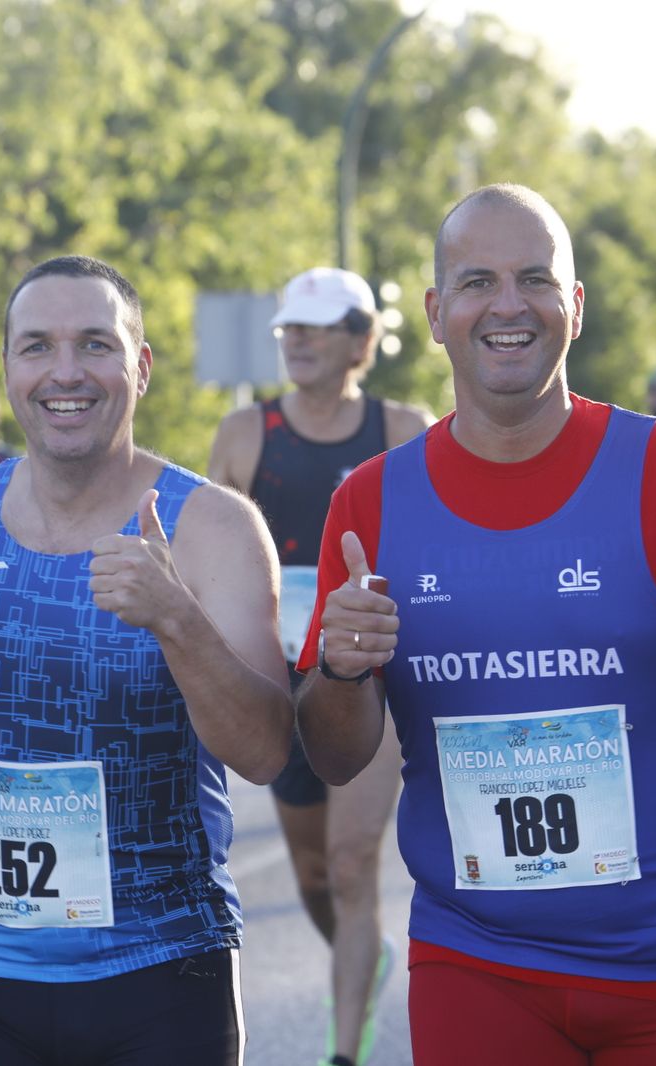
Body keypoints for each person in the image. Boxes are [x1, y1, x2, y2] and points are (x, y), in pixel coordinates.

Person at [299, 183, 656, 1066]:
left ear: (575, 308)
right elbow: (334, 753)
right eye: (477, 282)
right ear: (436, 314)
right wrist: (342, 670)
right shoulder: (371, 502)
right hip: (478, 960)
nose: (508, 306)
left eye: (536, 280)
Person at [0, 255, 293, 1065]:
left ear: (140, 366)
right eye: (36, 347)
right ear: (9, 368)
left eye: (95, 345)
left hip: (159, 974)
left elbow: (266, 751)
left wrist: (175, 620)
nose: (65, 373)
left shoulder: (212, 527)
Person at [207, 266, 431, 1066]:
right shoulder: (245, 435)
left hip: (366, 683)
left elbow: (439, 550)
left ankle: (344, 1053)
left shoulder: (403, 428)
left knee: (347, 862)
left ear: (361, 340)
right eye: (287, 328)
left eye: (316, 326)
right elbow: (212, 558)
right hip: (280, 684)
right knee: (312, 872)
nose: (296, 340)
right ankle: (361, 956)